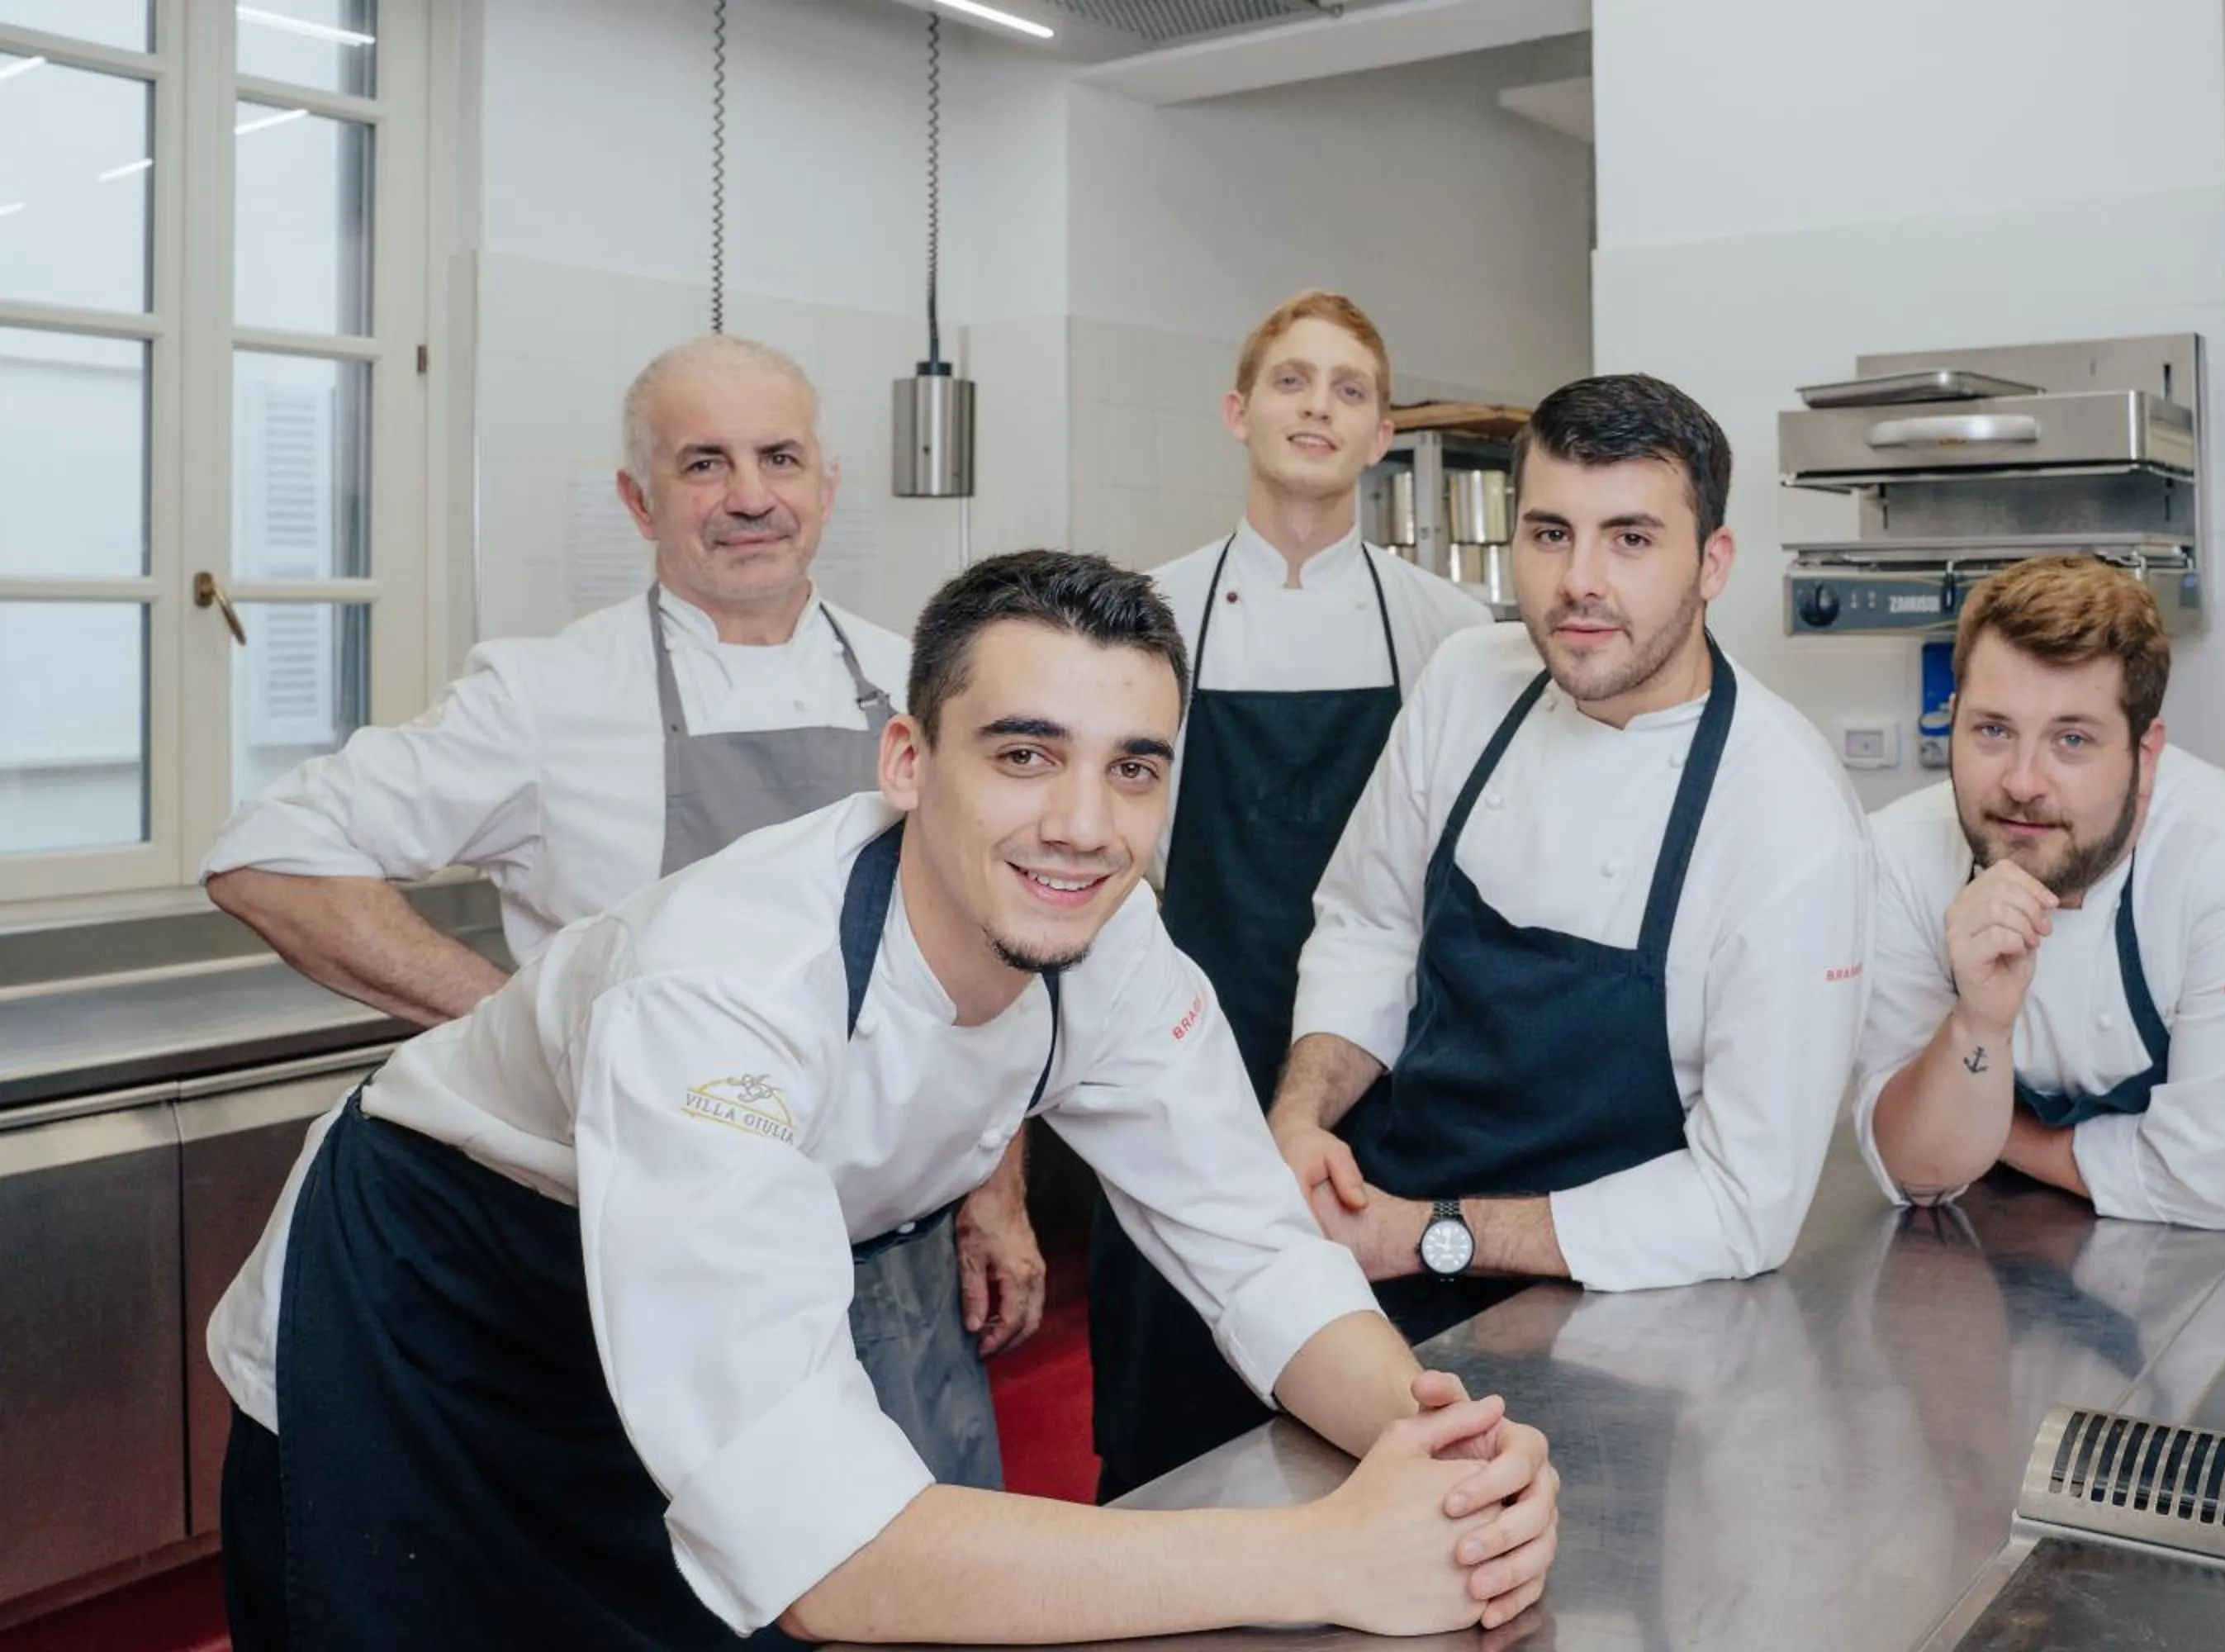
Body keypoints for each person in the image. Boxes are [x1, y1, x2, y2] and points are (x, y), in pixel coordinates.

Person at [209, 551, 1559, 1650]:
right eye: (1025, 755)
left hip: (689, 1345)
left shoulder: (1116, 944)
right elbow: (828, 1563)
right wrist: (1321, 1557)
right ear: (908, 763)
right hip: (433, 1327)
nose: (1085, 825)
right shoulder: (723, 995)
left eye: (1133, 767)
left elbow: (1255, 1246)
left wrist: (1434, 1459)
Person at [197, 335, 1040, 1487]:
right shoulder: (550, 696)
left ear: (827, 487)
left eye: (779, 458)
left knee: (903, 1564)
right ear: (639, 501)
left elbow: (992, 954)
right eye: (704, 465)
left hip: (873, 1248)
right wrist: (526, 1026)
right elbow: (269, 856)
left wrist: (995, 1189)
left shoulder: (924, 686)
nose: (749, 497)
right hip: (638, 1241)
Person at [1268, 373, 1872, 1342]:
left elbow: (1743, 1204)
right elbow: (1371, 926)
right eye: (1551, 533)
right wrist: (1301, 1119)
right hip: (1375, 1256)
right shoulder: (1470, 677)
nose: (1580, 581)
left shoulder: (1790, 820)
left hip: (1621, 1319)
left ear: (1713, 562)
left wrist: (1431, 1233)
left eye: (1630, 538)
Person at [1088, 291, 1490, 1498]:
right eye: (1292, 381)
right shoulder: (1147, 614)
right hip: (1181, 1055)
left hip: (1379, 1074)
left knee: (1367, 1392)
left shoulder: (1450, 631)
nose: (1318, 407)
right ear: (1238, 411)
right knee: (1174, 1377)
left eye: (1350, 390)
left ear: (1380, 437)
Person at [1854, 554, 2225, 1227]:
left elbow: (2217, 1184)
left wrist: (1984, 1133)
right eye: (1993, 730)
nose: (2022, 782)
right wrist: (1979, 1024)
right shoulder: (1898, 859)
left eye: (2071, 739)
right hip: (2044, 1234)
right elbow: (1916, 1167)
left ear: (2144, 754)